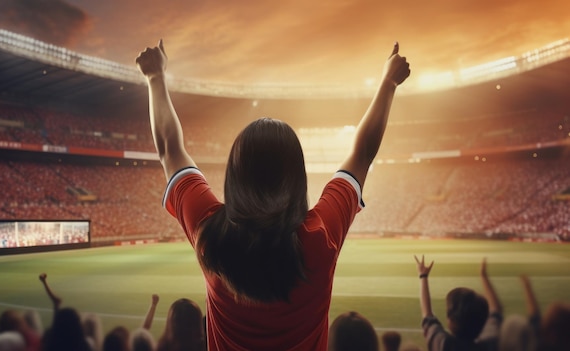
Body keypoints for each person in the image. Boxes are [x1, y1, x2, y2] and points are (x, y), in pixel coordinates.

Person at [136, 39, 410, 350]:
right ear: (296, 178)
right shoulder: (320, 238)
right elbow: (362, 155)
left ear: (234, 176)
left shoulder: (210, 233)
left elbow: (170, 151)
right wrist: (388, 83)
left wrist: (155, 77)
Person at [414, 256, 501, 351]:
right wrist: (484, 276)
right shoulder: (490, 344)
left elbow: (427, 314)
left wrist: (423, 276)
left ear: (451, 322)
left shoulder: (443, 343)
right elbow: (495, 310)